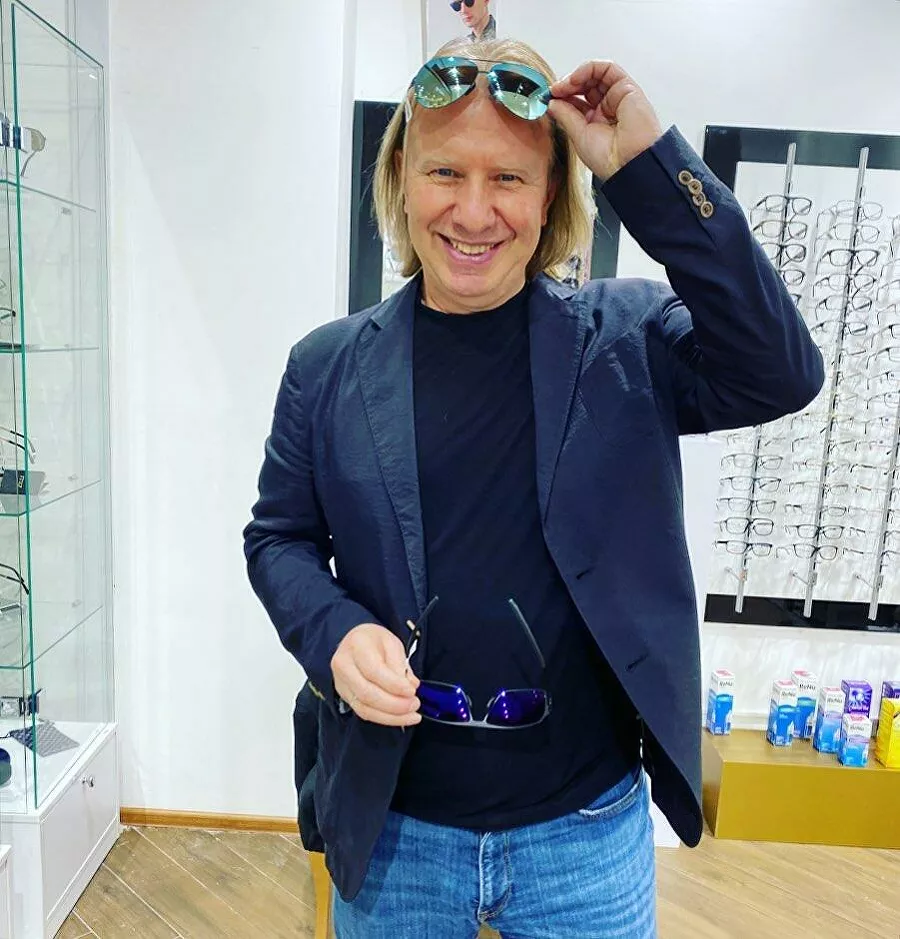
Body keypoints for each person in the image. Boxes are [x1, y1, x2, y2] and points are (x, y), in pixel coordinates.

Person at [244, 35, 824, 939]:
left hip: (583, 834)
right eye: (446, 172)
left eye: (508, 179)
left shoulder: (625, 338)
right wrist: (335, 630)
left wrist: (647, 168)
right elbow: (276, 538)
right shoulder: (325, 367)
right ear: (401, 178)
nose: (474, 211)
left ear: (549, 194)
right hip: (395, 832)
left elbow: (780, 370)